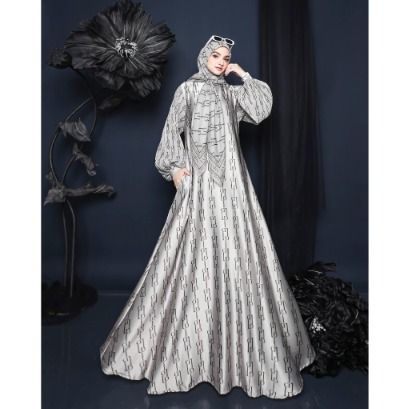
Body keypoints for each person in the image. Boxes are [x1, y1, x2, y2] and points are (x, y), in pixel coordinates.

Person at [100, 34, 316, 399]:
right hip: (200, 184)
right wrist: (175, 168)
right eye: (215, 55)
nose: (220, 61)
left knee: (241, 254)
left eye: (226, 57)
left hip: (233, 185)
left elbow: (260, 109)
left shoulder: (231, 94)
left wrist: (243, 75)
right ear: (204, 56)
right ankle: (188, 349)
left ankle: (244, 356)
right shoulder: (188, 89)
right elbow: (172, 128)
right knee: (191, 254)